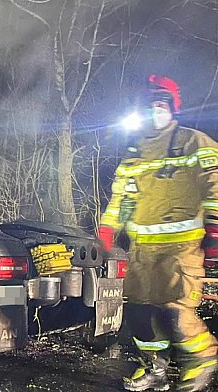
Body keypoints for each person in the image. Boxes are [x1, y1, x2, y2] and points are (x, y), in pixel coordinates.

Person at [99, 74, 218, 392]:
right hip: (141, 252)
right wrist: (107, 231)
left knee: (175, 312)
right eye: (150, 104)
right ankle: (154, 370)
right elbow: (121, 200)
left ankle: (203, 358)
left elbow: (214, 184)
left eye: (162, 103)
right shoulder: (135, 155)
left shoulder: (194, 142)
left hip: (181, 250)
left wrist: (216, 231)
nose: (156, 110)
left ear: (173, 107)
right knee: (138, 315)